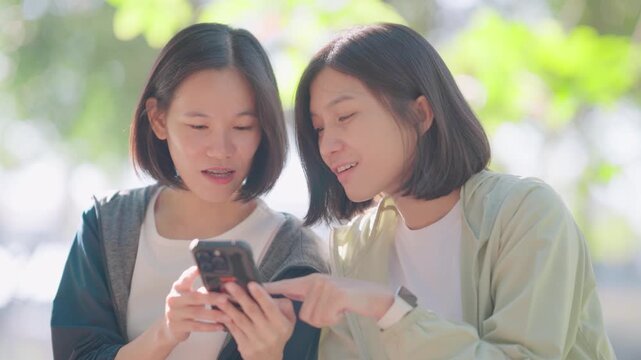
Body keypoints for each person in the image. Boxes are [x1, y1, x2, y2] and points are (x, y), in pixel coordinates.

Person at [265, 23, 615, 359]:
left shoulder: (526, 214)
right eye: (319, 128)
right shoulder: (354, 248)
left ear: (420, 114)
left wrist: (389, 309)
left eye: (345, 116)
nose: (327, 146)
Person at [51, 23, 327, 360]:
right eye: (199, 126)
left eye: (242, 127)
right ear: (158, 119)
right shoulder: (106, 226)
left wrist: (267, 355)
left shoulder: (294, 254)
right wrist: (164, 335)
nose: (221, 150)